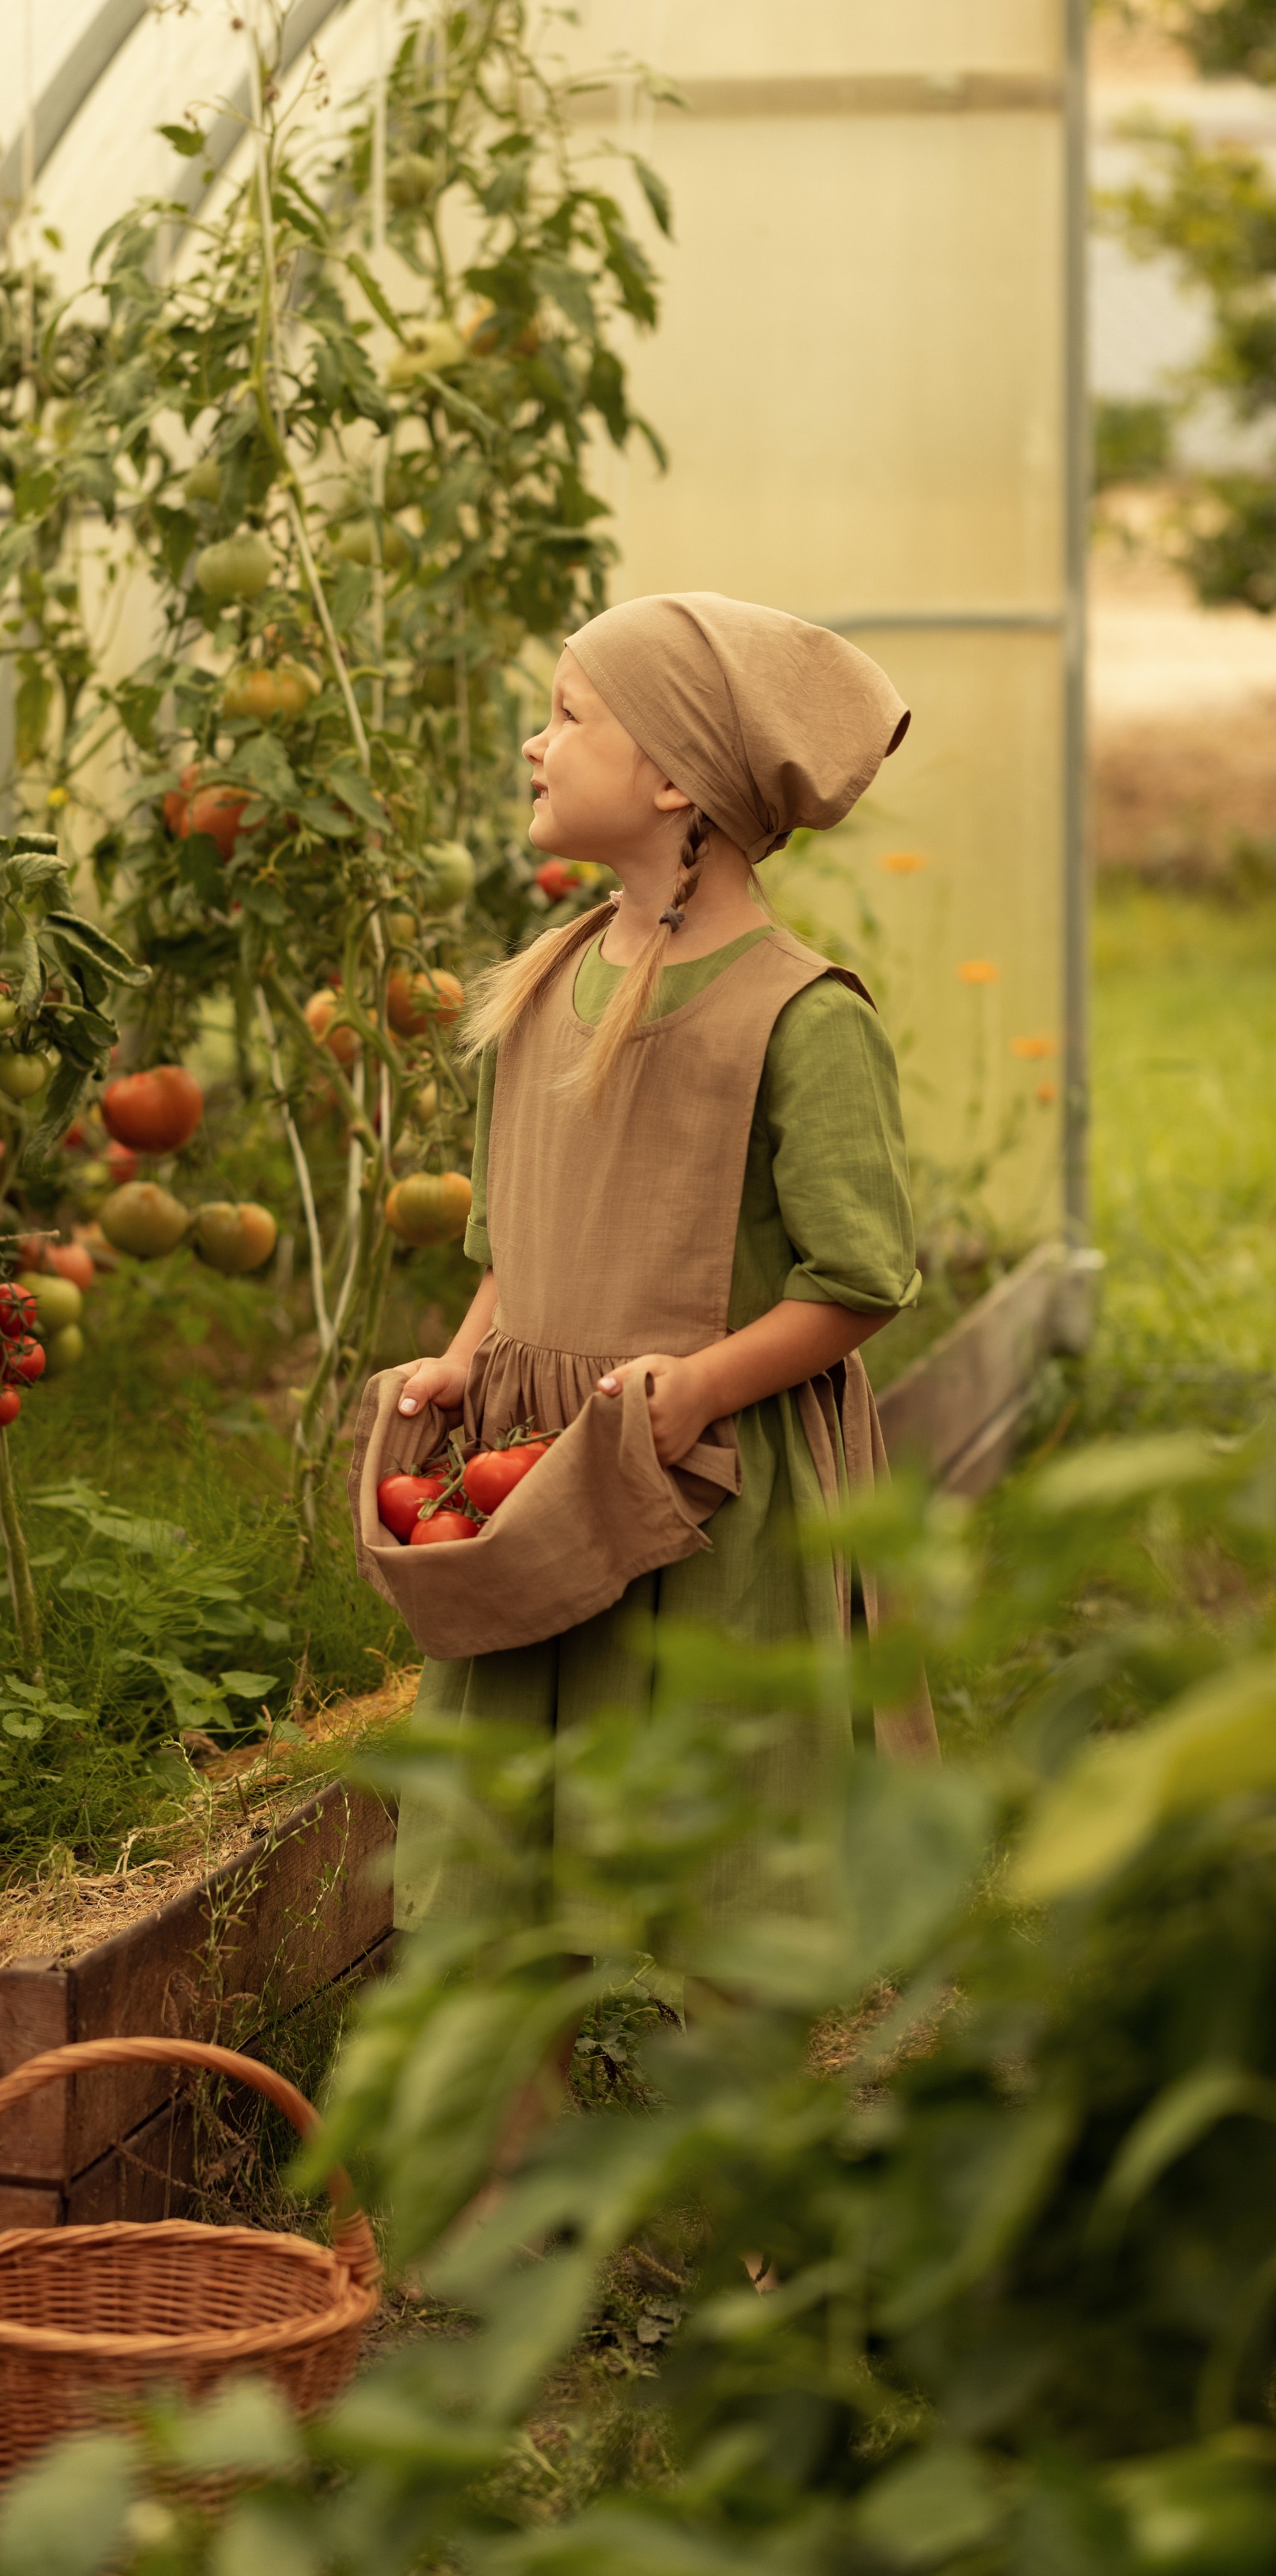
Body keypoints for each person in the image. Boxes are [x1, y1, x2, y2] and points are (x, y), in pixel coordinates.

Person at [391, 590, 937, 1926]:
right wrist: (463, 1366)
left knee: (715, 1878)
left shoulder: (794, 1018)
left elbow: (856, 1280)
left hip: (709, 1488)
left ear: (673, 778)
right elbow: (512, 1245)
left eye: (566, 715)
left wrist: (693, 1389)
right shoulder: (541, 985)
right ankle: (523, 2117)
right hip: (537, 1472)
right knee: (506, 1867)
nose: (532, 744)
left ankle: (722, 2107)